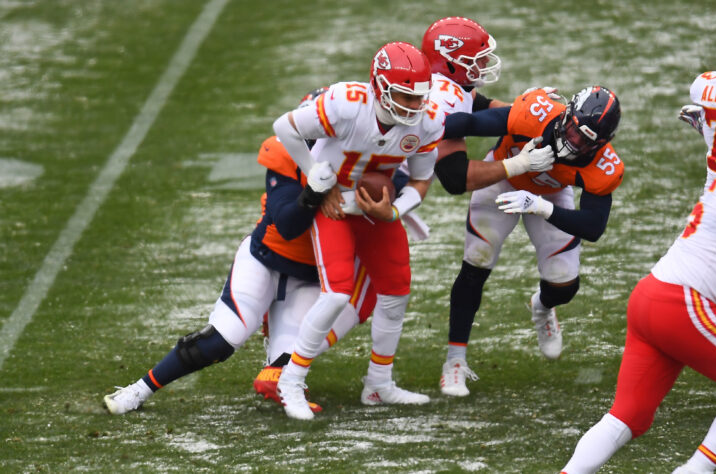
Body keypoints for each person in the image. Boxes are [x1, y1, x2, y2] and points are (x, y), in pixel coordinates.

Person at [254, 18, 556, 408]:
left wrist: (393, 211)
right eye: (406, 97)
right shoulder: (346, 103)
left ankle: (378, 383)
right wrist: (315, 179)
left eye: (421, 96)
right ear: (379, 89)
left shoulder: (428, 117)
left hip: (374, 209)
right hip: (334, 204)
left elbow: (421, 182)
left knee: (395, 291)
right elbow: (285, 126)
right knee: (337, 294)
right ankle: (291, 379)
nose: (416, 106)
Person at [103, 88, 361, 415]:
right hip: (266, 261)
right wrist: (313, 192)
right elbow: (287, 225)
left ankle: (287, 362)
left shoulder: (364, 159)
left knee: (300, 350)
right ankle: (139, 389)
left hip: (313, 278)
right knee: (221, 340)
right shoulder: (284, 153)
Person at [561, 70, 716, 474]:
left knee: (626, 417)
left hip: (653, 296)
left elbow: (708, 93)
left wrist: (705, 124)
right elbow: (709, 90)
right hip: (683, 301)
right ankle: (697, 470)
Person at [438, 85, 623, 396]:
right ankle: (454, 362)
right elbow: (469, 124)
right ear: (566, 115)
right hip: (503, 178)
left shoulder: (604, 166)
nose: (573, 141)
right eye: (573, 131)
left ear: (601, 144)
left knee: (564, 284)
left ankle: (542, 306)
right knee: (476, 261)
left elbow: (593, 226)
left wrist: (542, 206)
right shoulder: (533, 113)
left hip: (549, 195)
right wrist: (422, 124)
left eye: (584, 141)